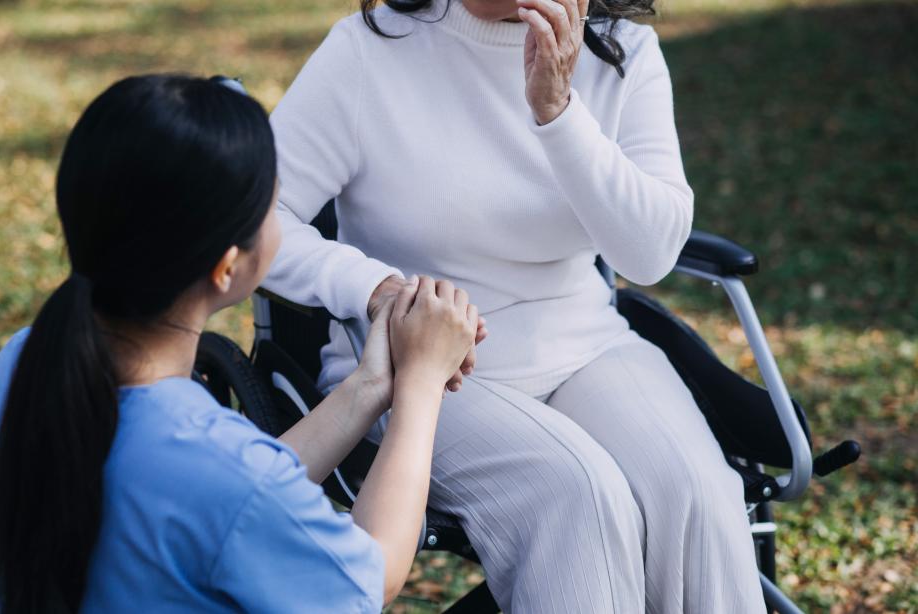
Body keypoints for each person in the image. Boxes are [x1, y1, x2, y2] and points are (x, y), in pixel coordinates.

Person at [263, 0, 766, 611]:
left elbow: (650, 254)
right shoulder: (371, 50)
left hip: (584, 345)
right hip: (422, 364)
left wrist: (558, 112)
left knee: (696, 490)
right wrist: (375, 288)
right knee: (575, 491)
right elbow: (264, 218)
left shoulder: (624, 51)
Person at [0, 74, 477, 614]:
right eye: (273, 209)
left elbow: (222, 499)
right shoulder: (220, 466)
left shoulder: (24, 360)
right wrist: (421, 384)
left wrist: (371, 386)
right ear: (228, 266)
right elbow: (368, 581)